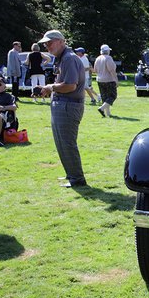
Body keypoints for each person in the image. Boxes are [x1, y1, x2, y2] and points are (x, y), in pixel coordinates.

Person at [37, 29, 87, 188]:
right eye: (45, 44)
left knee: (66, 143)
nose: (47, 46)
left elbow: (70, 86)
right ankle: (71, 174)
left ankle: (77, 179)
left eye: (49, 43)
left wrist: (51, 87)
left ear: (60, 41)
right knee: (61, 142)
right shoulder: (63, 58)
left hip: (68, 105)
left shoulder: (68, 59)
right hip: (64, 104)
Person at [93, 44, 118, 117]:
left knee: (105, 97)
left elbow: (95, 70)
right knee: (112, 96)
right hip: (109, 80)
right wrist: (116, 80)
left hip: (100, 80)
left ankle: (108, 114)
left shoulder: (98, 58)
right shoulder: (108, 58)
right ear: (107, 51)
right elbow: (112, 70)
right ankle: (101, 108)